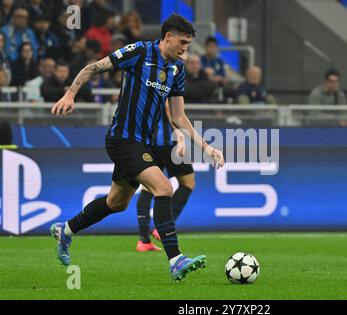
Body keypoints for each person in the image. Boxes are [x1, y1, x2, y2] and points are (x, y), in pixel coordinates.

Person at [49, 14, 224, 281]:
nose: (185, 49)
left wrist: (206, 147)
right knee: (164, 187)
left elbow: (178, 116)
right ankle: (176, 259)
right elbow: (92, 68)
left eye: (188, 44)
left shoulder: (176, 70)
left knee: (116, 203)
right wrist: (71, 93)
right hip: (122, 139)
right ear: (168, 37)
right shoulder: (139, 52)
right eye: (183, 42)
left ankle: (67, 229)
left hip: (144, 143)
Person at [136, 99, 195, 252]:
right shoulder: (165, 79)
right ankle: (163, 226)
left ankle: (143, 240)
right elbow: (171, 112)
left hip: (148, 143)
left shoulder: (142, 86)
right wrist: (181, 139)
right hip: (168, 143)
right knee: (187, 183)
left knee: (147, 187)